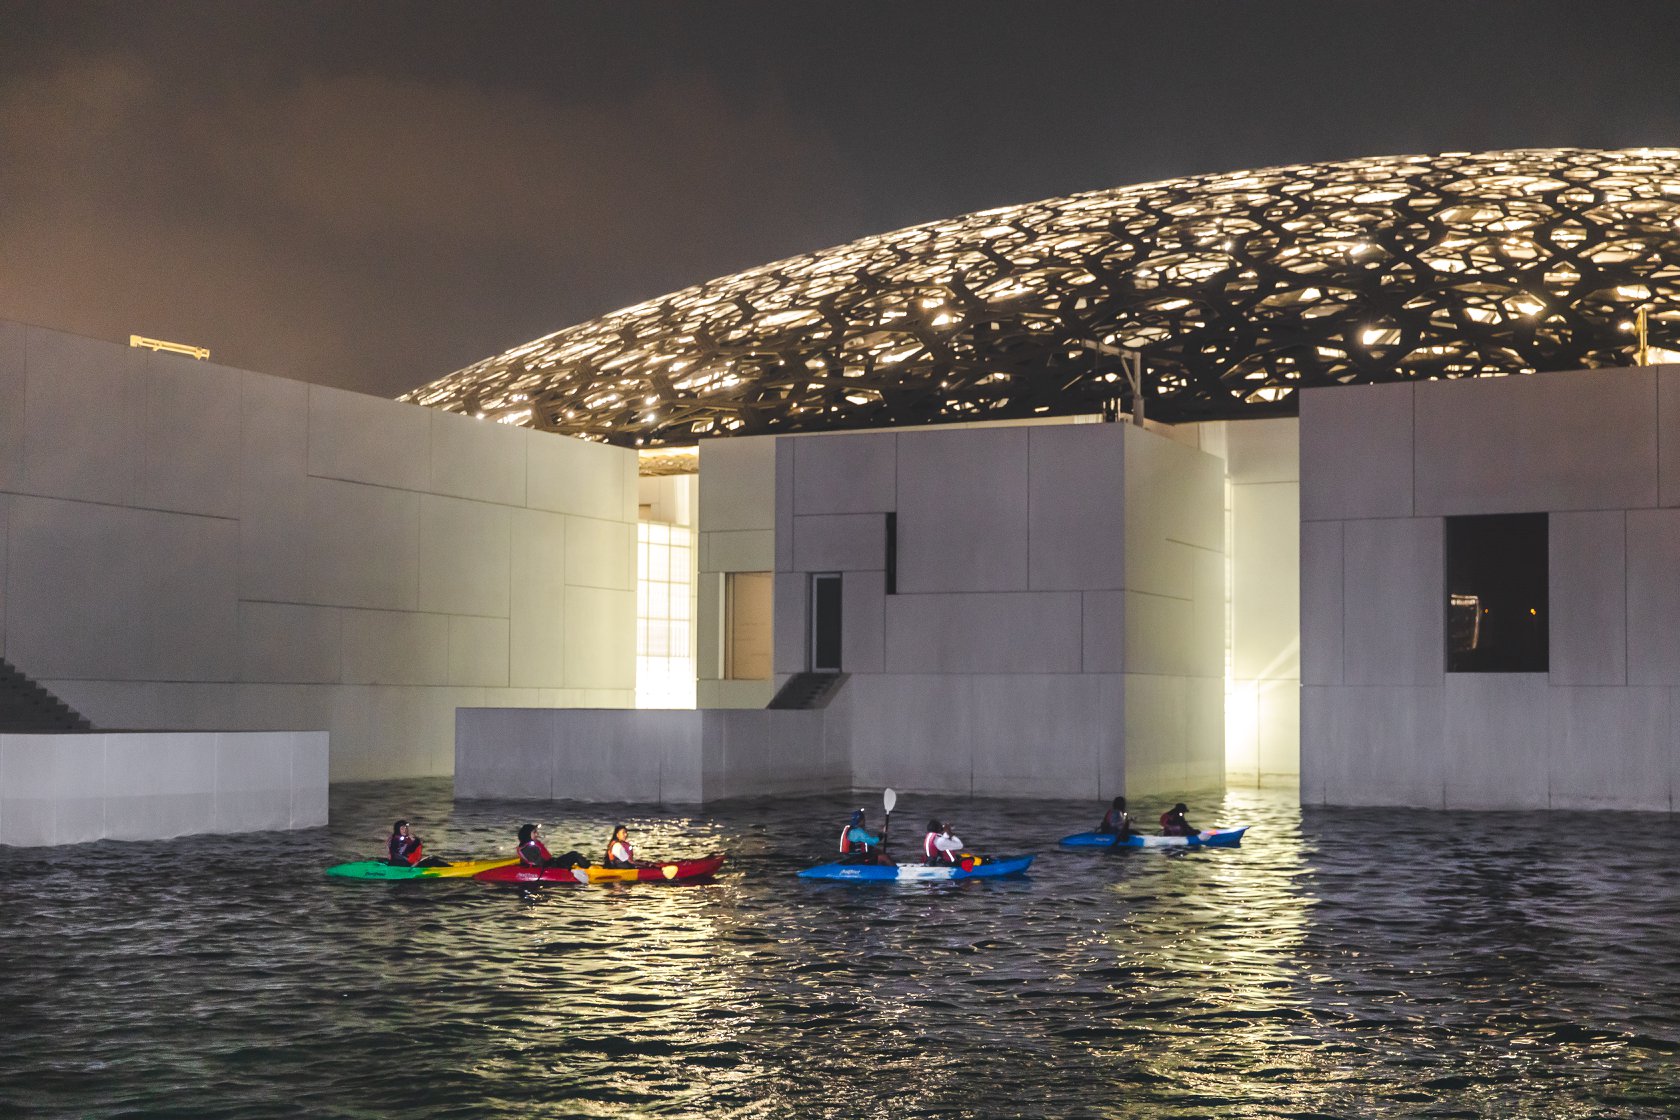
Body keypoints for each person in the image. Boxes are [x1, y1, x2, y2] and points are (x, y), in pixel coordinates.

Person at [516, 823, 588, 869]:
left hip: (550, 864)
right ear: (527, 834)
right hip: (551, 867)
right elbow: (539, 863)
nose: (537, 834)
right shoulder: (528, 848)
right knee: (574, 855)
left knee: (570, 856)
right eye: (534, 832)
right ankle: (588, 867)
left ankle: (584, 865)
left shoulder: (529, 845)